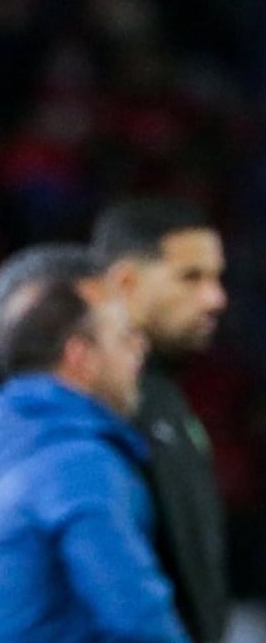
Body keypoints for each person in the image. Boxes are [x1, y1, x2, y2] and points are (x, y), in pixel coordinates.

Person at [0, 244, 189, 642]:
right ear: (79, 356)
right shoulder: (76, 462)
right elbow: (140, 621)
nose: (141, 348)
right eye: (124, 336)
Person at [93, 198, 229, 643]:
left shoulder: (167, 400)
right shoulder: (94, 407)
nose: (216, 299)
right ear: (126, 282)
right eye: (191, 277)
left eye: (217, 278)